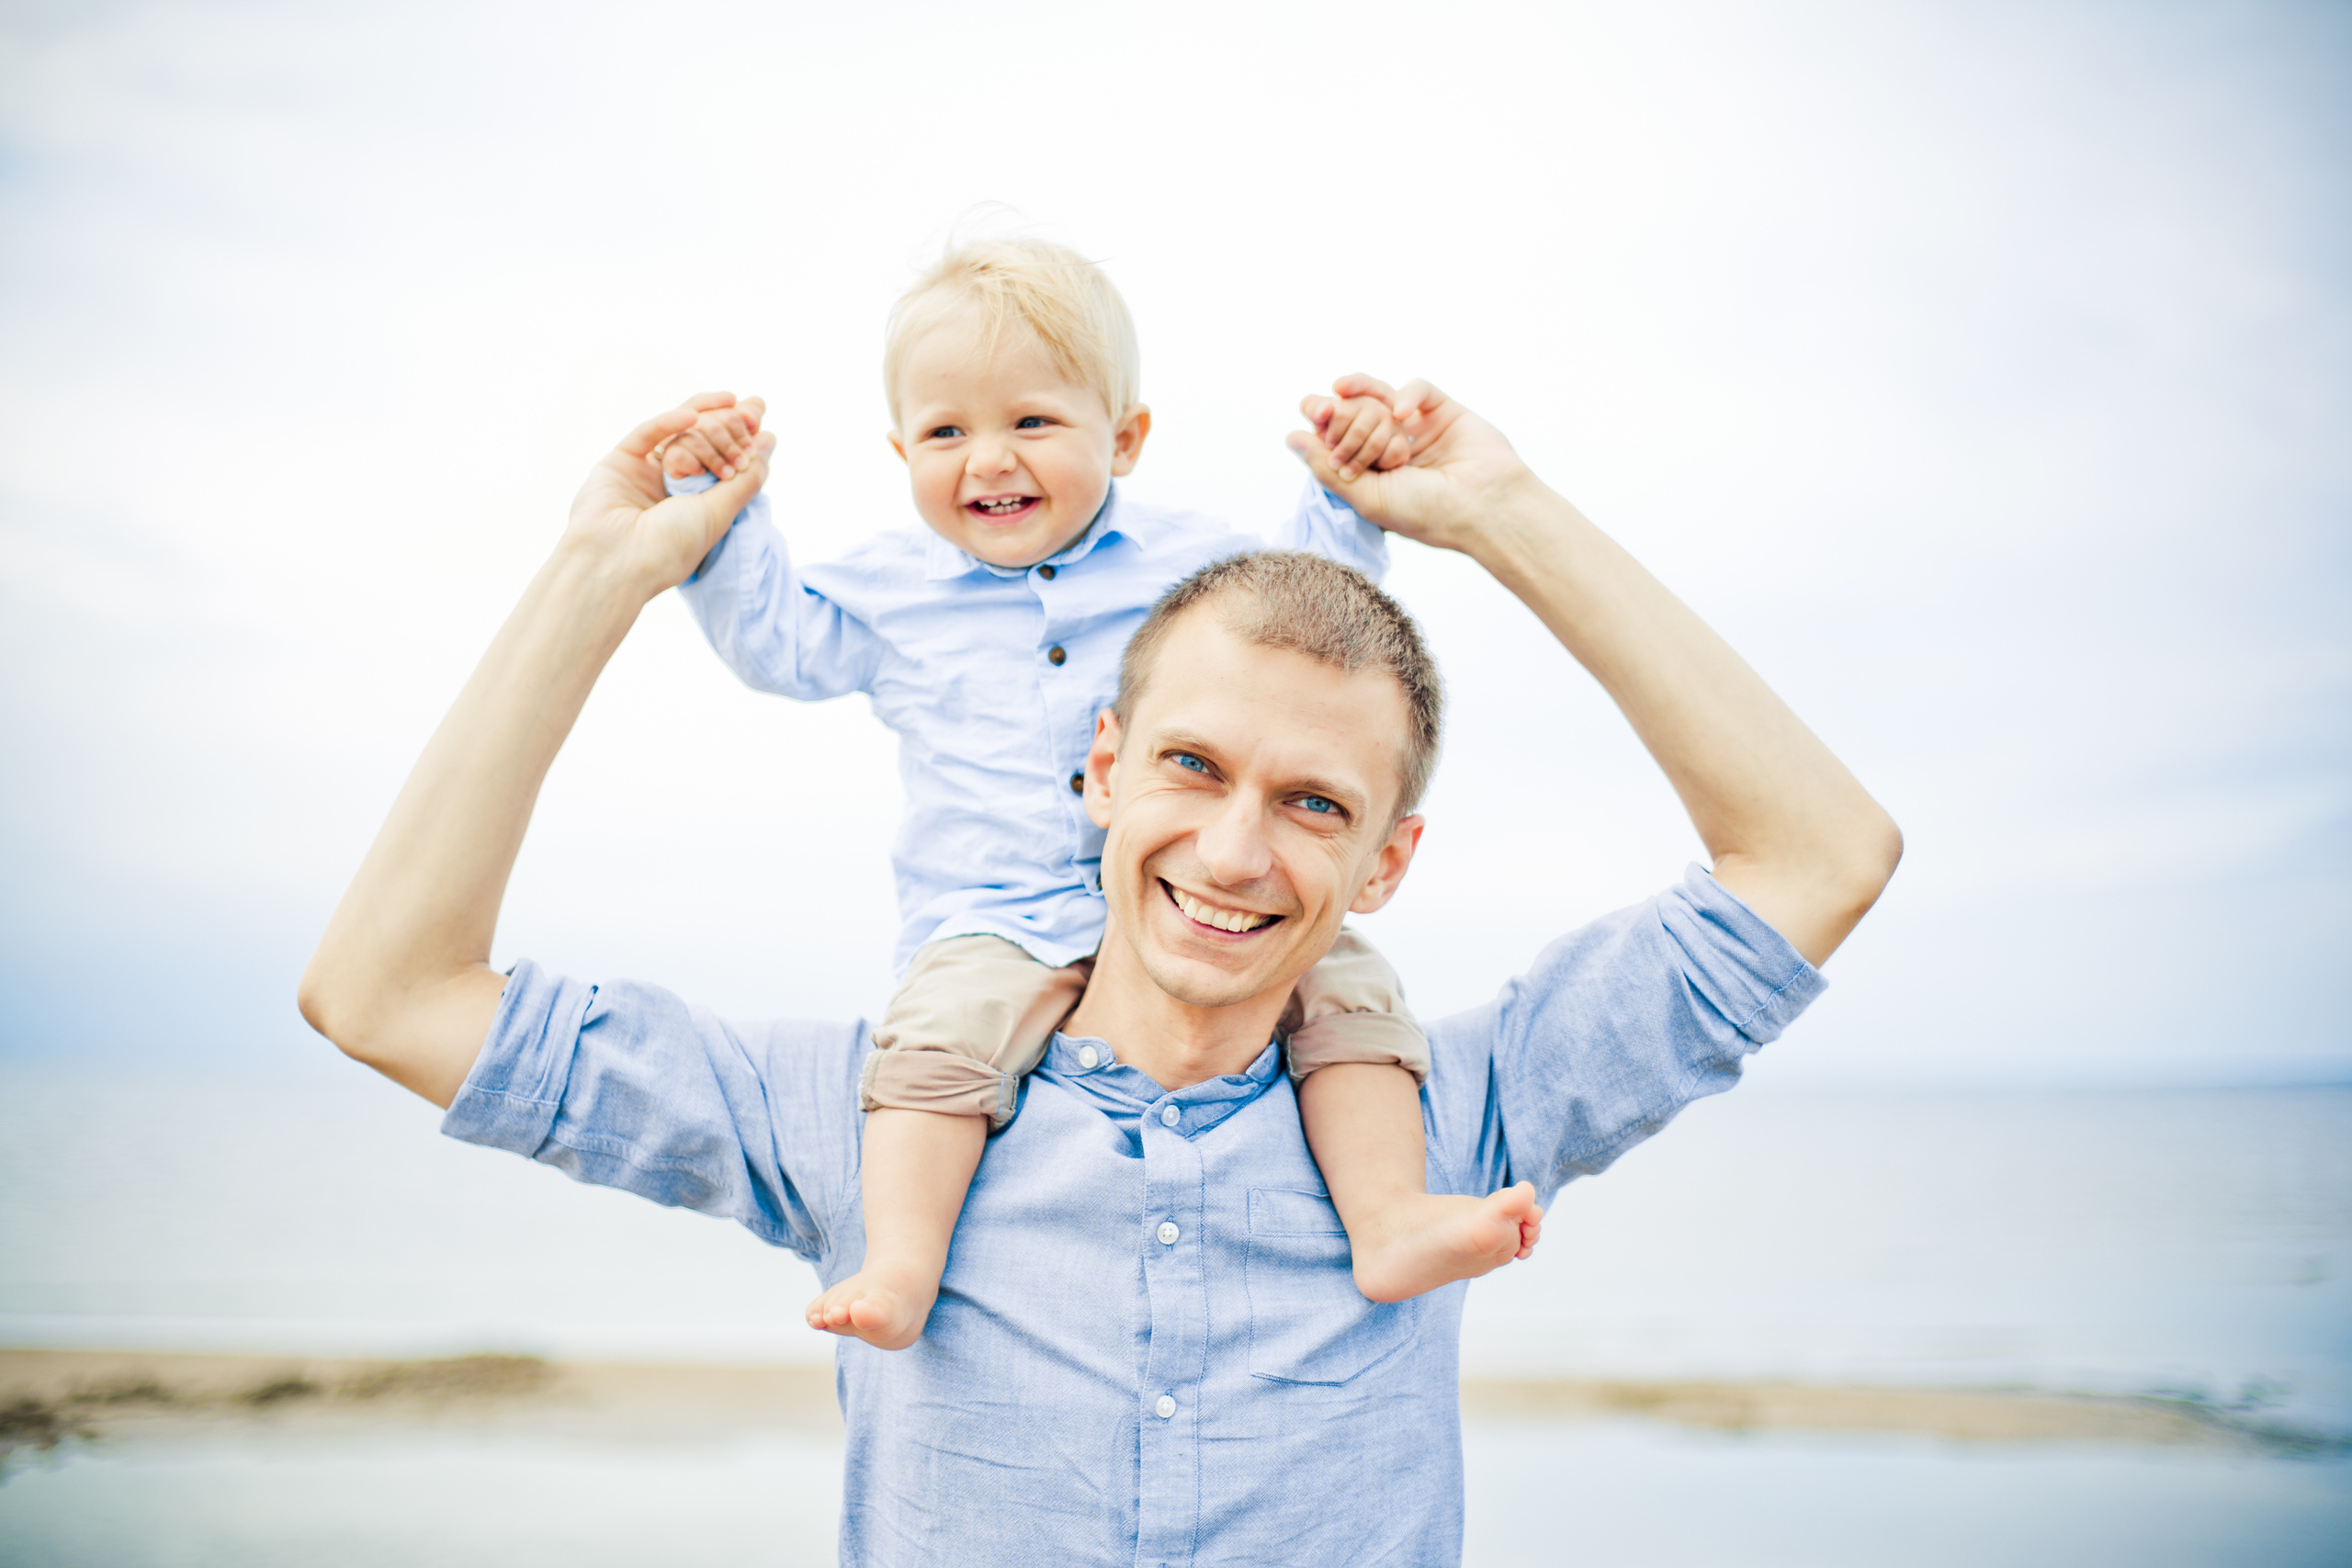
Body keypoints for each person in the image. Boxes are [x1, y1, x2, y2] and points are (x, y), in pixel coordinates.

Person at [298, 377, 1900, 1565]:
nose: (1232, 851)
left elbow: (1819, 853)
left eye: (1315, 803)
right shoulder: (875, 1111)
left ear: (1387, 861)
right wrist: (601, 575)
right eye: (1193, 767)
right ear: (1102, 769)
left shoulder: (1457, 1116)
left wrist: (1505, 515)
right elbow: (387, 992)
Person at [650, 236, 1532, 1352]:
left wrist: (1344, 494)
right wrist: (717, 508)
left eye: (1030, 422)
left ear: (1124, 437)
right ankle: (904, 1266)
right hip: (991, 914)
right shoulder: (891, 587)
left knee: (1352, 997)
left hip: (1186, 898)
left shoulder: (1191, 568)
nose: (987, 460)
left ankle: (1389, 1216)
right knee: (932, 1049)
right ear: (897, 448)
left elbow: (1314, 619)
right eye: (944, 432)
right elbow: (776, 644)